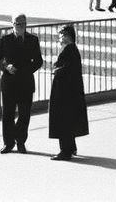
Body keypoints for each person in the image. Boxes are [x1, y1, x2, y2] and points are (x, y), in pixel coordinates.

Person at [0, 13, 43, 153]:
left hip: (25, 82)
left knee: (24, 114)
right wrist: (5, 67)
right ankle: (8, 143)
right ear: (12, 24)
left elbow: (39, 61)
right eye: (16, 24)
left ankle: (20, 141)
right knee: (8, 114)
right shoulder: (5, 39)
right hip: (9, 82)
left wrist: (28, 70)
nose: (19, 27)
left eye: (22, 24)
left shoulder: (32, 40)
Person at [48, 25, 88, 161]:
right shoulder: (70, 49)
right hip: (69, 91)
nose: (60, 37)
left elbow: (67, 68)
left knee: (63, 120)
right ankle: (70, 147)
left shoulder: (69, 49)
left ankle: (65, 150)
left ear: (67, 36)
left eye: (62, 35)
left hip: (65, 93)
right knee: (68, 121)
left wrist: (58, 70)